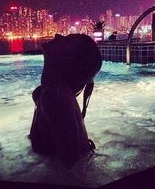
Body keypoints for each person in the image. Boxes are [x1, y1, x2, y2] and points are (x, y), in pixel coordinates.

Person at [29, 33, 102, 163]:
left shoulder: (56, 97)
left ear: (70, 61)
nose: (57, 36)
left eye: (66, 40)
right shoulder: (44, 93)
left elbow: (72, 170)